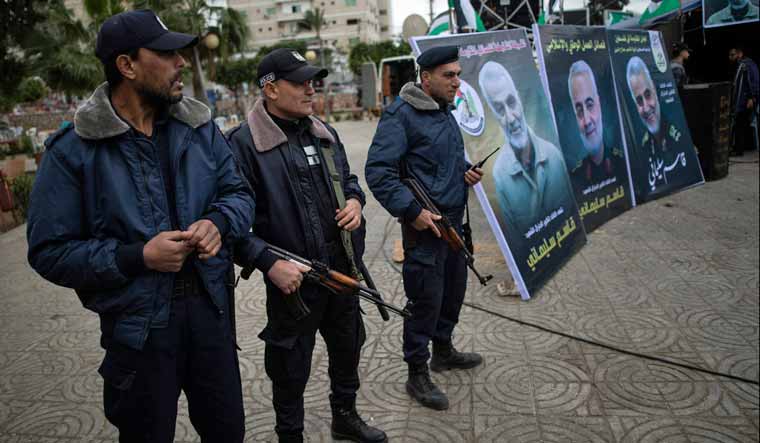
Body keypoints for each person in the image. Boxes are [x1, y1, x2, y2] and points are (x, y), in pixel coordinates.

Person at [26, 10, 254, 443]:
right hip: (138, 330)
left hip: (211, 315)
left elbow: (240, 194)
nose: (181, 62)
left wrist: (218, 222)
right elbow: (48, 250)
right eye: (167, 54)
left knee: (228, 432)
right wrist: (137, 256)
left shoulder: (199, 128)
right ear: (127, 66)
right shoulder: (72, 151)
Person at [227, 48, 386, 443]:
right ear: (270, 89)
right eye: (299, 81)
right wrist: (267, 263)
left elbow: (349, 181)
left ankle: (345, 416)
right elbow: (228, 224)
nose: (310, 88)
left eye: (312, 80)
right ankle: (290, 434)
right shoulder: (242, 145)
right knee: (289, 363)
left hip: (342, 268)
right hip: (292, 280)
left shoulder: (323, 132)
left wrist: (355, 202)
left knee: (348, 346)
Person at [365, 46, 484, 412]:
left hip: (453, 225)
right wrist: (412, 211)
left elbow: (440, 161)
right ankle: (417, 371)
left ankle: (443, 351)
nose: (457, 82)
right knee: (425, 301)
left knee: (452, 293)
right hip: (424, 228)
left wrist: (464, 171)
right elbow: (378, 172)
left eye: (458, 74)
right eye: (449, 75)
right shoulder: (401, 115)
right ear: (426, 77)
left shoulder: (444, 112)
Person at [478, 61, 574, 237]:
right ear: (494, 116)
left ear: (520, 100)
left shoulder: (554, 156)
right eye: (499, 109)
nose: (511, 117)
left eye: (511, 102)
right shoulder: (500, 176)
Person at [567, 59, 617, 185]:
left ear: (599, 104)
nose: (587, 121)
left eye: (590, 105)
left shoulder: (622, 162)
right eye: (579, 111)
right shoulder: (575, 178)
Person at [729, 46, 759, 155]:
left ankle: (739, 149)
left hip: (746, 100)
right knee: (739, 124)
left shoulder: (747, 65)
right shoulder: (739, 66)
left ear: (739, 54)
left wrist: (752, 97)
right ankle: (738, 148)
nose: (730, 58)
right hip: (740, 101)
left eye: (732, 55)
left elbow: (754, 81)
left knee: (740, 124)